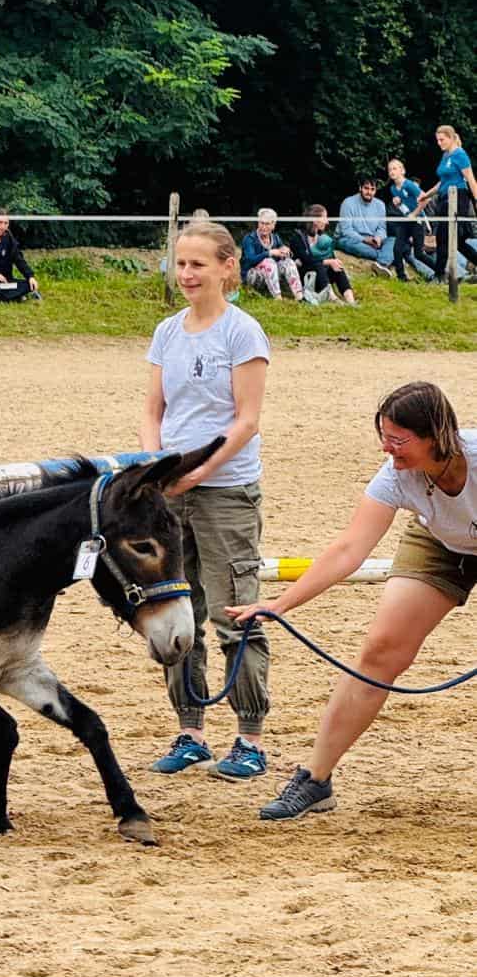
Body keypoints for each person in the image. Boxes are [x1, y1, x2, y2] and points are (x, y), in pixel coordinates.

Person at [226, 381, 477, 821]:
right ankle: (315, 779)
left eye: (398, 440)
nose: (387, 449)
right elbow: (348, 550)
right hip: (440, 543)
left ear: (436, 436)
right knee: (380, 652)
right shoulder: (396, 476)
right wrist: (280, 604)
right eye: (384, 437)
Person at [141, 220, 272, 782]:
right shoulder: (166, 332)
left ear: (226, 267)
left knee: (234, 613)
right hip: (170, 495)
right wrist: (156, 468)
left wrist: (199, 472)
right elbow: (153, 410)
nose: (187, 274)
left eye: (197, 264)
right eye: (181, 263)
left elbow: (246, 420)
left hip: (226, 492)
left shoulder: (243, 334)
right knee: (175, 612)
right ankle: (190, 730)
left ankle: (250, 738)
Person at [416, 126, 477, 281]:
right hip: (444, 199)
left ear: (450, 138)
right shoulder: (445, 156)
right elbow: (442, 182)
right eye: (437, 140)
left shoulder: (460, 155)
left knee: (443, 237)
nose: (439, 143)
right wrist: (426, 195)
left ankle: (439, 276)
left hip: (458, 198)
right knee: (457, 241)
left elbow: (470, 179)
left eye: (442, 139)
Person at [288, 205, 357, 306]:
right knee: (319, 265)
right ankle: (333, 298)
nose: (327, 222)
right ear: (315, 220)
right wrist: (328, 262)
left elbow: (331, 258)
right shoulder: (297, 238)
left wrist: (333, 262)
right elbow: (306, 260)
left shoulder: (323, 238)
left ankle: (351, 300)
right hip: (306, 277)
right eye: (324, 217)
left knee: (337, 267)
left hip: (323, 276)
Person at [384, 158, 435, 282]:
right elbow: (405, 204)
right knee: (397, 249)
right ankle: (402, 277)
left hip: (417, 221)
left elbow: (426, 199)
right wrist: (398, 204)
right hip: (405, 221)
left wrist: (414, 214)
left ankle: (440, 272)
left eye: (394, 168)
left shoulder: (409, 185)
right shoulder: (393, 189)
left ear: (402, 171)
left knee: (419, 254)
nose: (392, 171)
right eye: (389, 169)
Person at [240, 208, 304, 301]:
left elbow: (283, 254)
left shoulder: (275, 238)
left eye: (267, 224)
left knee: (288, 262)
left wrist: (285, 252)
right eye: (261, 223)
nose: (264, 227)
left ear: (273, 225)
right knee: (268, 262)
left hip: (271, 275)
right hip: (252, 276)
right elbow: (250, 260)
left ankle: (299, 296)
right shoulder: (250, 239)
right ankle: (278, 298)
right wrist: (269, 253)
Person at [335, 176, 394, 275]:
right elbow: (346, 230)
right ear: (360, 188)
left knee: (393, 240)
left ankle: (381, 264)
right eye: (366, 188)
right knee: (350, 244)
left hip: (373, 240)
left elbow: (382, 228)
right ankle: (388, 257)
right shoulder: (348, 203)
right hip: (350, 239)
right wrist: (365, 240)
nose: (369, 192)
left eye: (372, 189)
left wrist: (378, 238)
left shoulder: (380, 205)